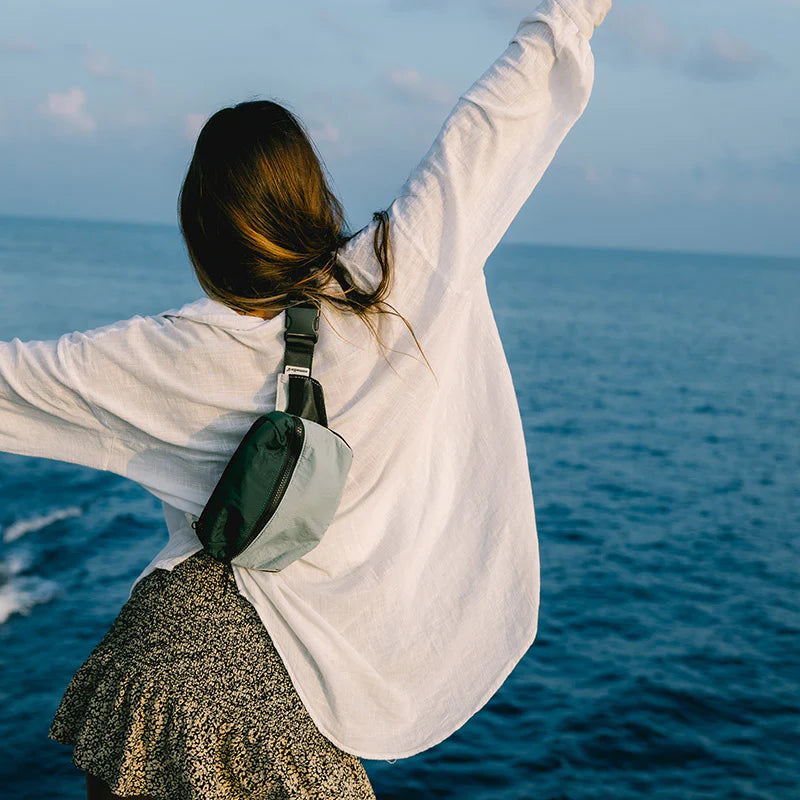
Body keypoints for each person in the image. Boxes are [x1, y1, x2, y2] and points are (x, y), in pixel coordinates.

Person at [1, 0, 611, 797]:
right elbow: (489, 128)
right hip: (274, 716)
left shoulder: (180, 349)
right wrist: (570, 15)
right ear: (308, 195)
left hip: (155, 673)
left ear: (202, 228)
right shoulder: (395, 278)